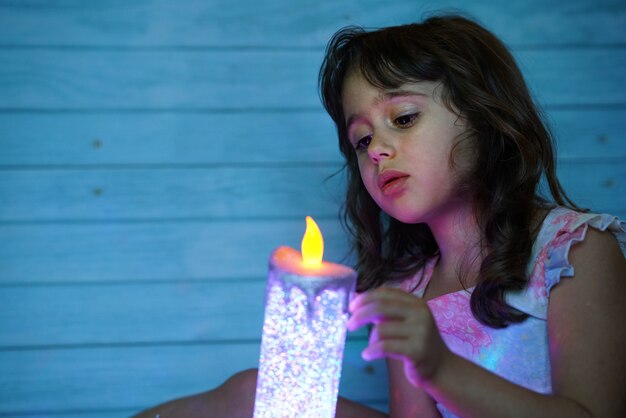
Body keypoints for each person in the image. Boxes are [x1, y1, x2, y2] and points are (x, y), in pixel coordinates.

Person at [133, 14, 625, 418]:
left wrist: (439, 368)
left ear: (484, 116)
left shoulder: (573, 250)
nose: (377, 151)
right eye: (361, 139)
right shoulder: (407, 288)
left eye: (404, 119)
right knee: (253, 393)